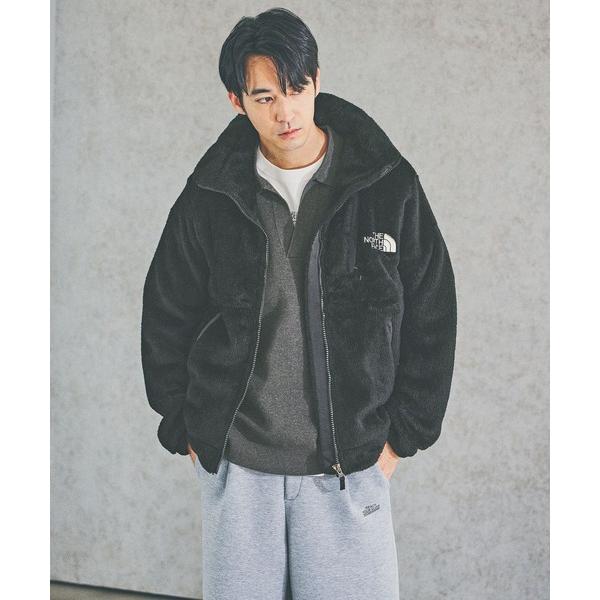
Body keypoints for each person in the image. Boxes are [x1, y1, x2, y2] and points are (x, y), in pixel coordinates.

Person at [141, 7, 457, 600]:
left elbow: (433, 312)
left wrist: (401, 436)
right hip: (239, 466)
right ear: (237, 102)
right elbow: (167, 309)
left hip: (350, 466)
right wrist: (185, 424)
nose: (284, 112)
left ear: (316, 81)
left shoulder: (386, 185)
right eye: (264, 97)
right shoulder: (210, 195)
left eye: (295, 89)